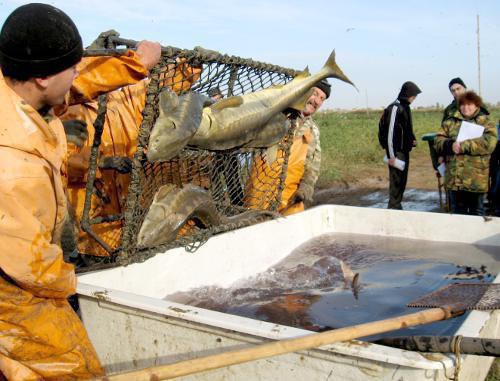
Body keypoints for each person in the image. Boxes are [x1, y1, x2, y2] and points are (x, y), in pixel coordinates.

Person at [0, 4, 160, 379]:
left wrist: (136, 64)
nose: (77, 76)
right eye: (72, 68)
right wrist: (83, 285)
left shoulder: (21, 90)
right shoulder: (12, 169)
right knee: (75, 369)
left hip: (30, 263)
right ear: (41, 77)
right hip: (15, 293)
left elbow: (81, 83)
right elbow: (30, 267)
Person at [246, 79, 329, 215]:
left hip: (290, 204)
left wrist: (306, 188)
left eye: (322, 99)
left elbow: (312, 168)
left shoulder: (313, 131)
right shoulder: (274, 117)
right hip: (256, 198)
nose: (317, 101)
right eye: (315, 94)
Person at [434, 91, 497, 216]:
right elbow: (437, 140)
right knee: (458, 213)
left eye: (469, 104)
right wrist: (449, 145)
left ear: (476, 105)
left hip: (476, 179)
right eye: (462, 104)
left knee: (477, 212)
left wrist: (463, 146)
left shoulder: (486, 122)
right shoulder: (450, 122)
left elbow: (489, 143)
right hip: (455, 179)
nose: (465, 107)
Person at [379, 81, 421, 209]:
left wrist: (411, 140)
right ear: (407, 94)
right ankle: (393, 208)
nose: (414, 99)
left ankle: (397, 205)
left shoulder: (405, 107)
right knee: (396, 182)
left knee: (402, 181)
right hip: (396, 153)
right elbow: (390, 134)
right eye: (413, 96)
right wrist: (391, 156)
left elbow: (405, 128)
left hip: (404, 151)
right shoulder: (395, 108)